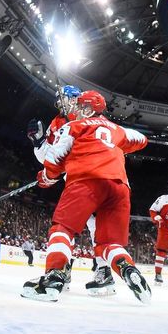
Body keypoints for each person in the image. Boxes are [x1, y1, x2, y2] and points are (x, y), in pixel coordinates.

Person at [21, 90, 151, 303]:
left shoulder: (73, 126)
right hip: (119, 186)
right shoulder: (114, 128)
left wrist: (45, 177)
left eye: (81, 105)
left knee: (63, 229)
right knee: (107, 241)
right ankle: (127, 269)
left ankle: (54, 276)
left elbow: (53, 161)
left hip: (85, 181)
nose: (77, 108)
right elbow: (141, 139)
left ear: (89, 108)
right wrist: (111, 145)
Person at [27, 85, 115, 296]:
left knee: (96, 223)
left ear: (74, 99)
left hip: (96, 175)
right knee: (67, 225)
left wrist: (75, 126)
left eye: (63, 98)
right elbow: (48, 157)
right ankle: (64, 270)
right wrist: (38, 142)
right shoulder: (57, 122)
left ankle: (104, 271)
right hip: (74, 179)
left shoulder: (88, 115)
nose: (59, 102)